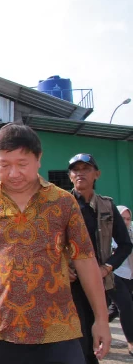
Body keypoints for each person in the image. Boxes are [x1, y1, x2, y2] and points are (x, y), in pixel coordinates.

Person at [0, 123, 111, 364]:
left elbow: (85, 259)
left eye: (22, 164)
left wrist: (101, 319)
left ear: (38, 159)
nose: (14, 173)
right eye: (4, 165)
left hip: (57, 328)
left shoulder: (63, 202)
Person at [67, 153, 132, 364]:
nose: (80, 174)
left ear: (97, 174)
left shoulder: (107, 207)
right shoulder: (61, 205)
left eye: (85, 169)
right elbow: (47, 244)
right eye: (75, 170)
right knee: (77, 335)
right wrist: (60, 266)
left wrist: (106, 268)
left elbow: (125, 244)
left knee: (95, 334)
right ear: (69, 176)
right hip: (70, 282)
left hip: (98, 282)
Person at [108, 205, 133, 355]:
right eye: (122, 218)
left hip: (129, 274)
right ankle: (131, 342)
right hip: (113, 274)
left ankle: (93, 328)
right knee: (126, 306)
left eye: (128, 219)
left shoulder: (131, 233)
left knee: (115, 309)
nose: (125, 222)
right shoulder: (107, 235)